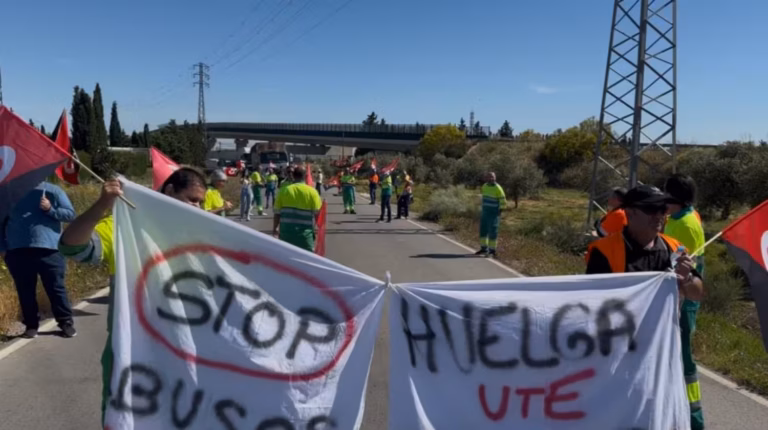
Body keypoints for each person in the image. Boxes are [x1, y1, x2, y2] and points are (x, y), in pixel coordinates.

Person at [58, 167, 208, 423]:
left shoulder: (204, 232)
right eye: (192, 199)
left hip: (189, 350)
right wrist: (101, 205)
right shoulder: (125, 227)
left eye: (201, 203)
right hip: (133, 354)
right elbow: (72, 247)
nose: (198, 208)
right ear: (170, 190)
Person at [0, 182, 76, 338]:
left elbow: (70, 214)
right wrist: (2, 249)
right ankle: (31, 325)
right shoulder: (8, 193)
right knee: (25, 291)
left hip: (50, 249)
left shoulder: (53, 190)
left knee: (56, 288)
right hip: (17, 250)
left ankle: (65, 322)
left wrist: (50, 209)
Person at [664, 174, 706, 430]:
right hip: (674, 298)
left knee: (684, 360)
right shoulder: (678, 218)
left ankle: (694, 420)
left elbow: (685, 270)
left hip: (683, 301)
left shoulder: (687, 224)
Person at [273, 166, 323, 252]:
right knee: (306, 261)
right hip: (305, 237)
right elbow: (318, 215)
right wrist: (318, 231)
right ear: (305, 176)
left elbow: (277, 213)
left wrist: (275, 229)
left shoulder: (283, 191)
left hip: (286, 235)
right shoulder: (313, 192)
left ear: (294, 175)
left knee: (286, 260)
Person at [475, 172, 506, 257]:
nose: (490, 179)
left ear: (495, 178)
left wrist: (500, 212)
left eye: (492, 177)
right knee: (483, 230)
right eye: (489, 177)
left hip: (494, 213)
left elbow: (503, 200)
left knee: (493, 231)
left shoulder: (498, 188)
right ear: (486, 178)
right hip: (485, 212)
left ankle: (492, 251)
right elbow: (483, 198)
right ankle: (483, 249)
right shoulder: (484, 186)